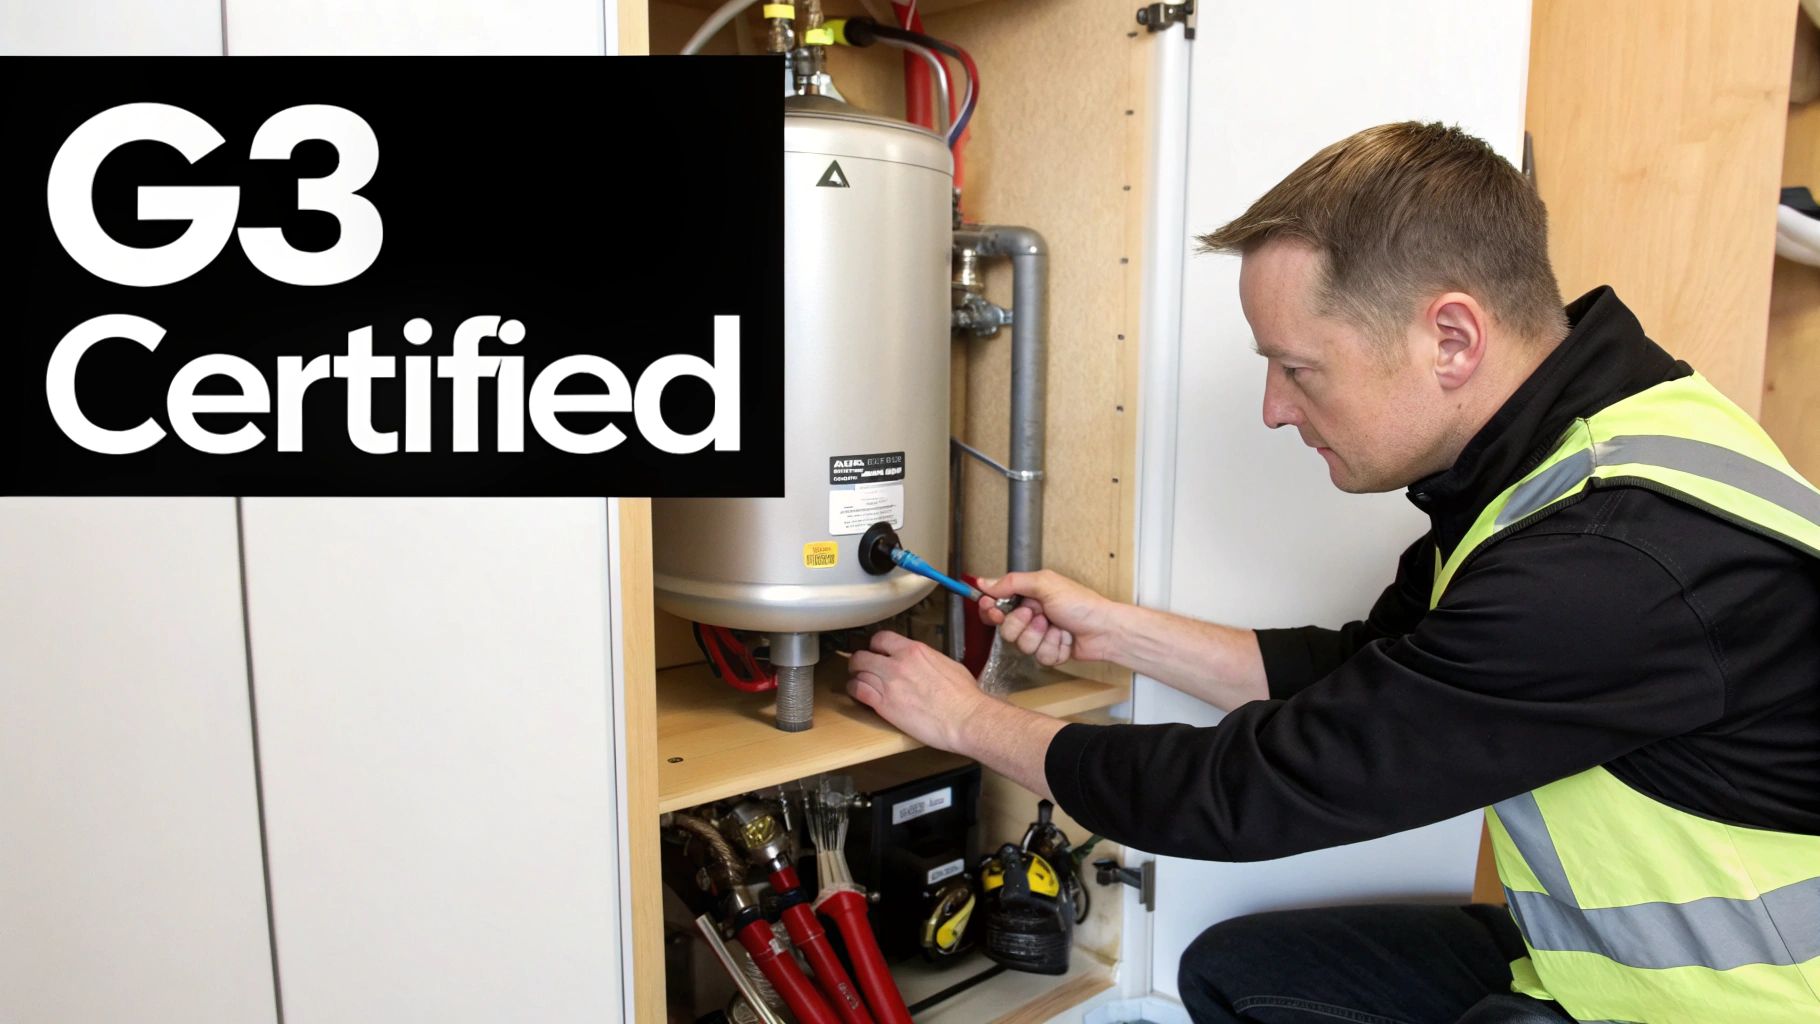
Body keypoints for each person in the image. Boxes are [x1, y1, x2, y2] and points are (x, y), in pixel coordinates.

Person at [845, 122, 1820, 1023]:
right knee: (1241, 975)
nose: (1273, 408)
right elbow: (1378, 671)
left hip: (1722, 1004)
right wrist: (1119, 630)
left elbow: (1251, 789)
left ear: (1449, 338)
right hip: (1589, 959)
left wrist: (969, 722)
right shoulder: (1567, 453)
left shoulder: (1603, 565)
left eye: (1296, 367)